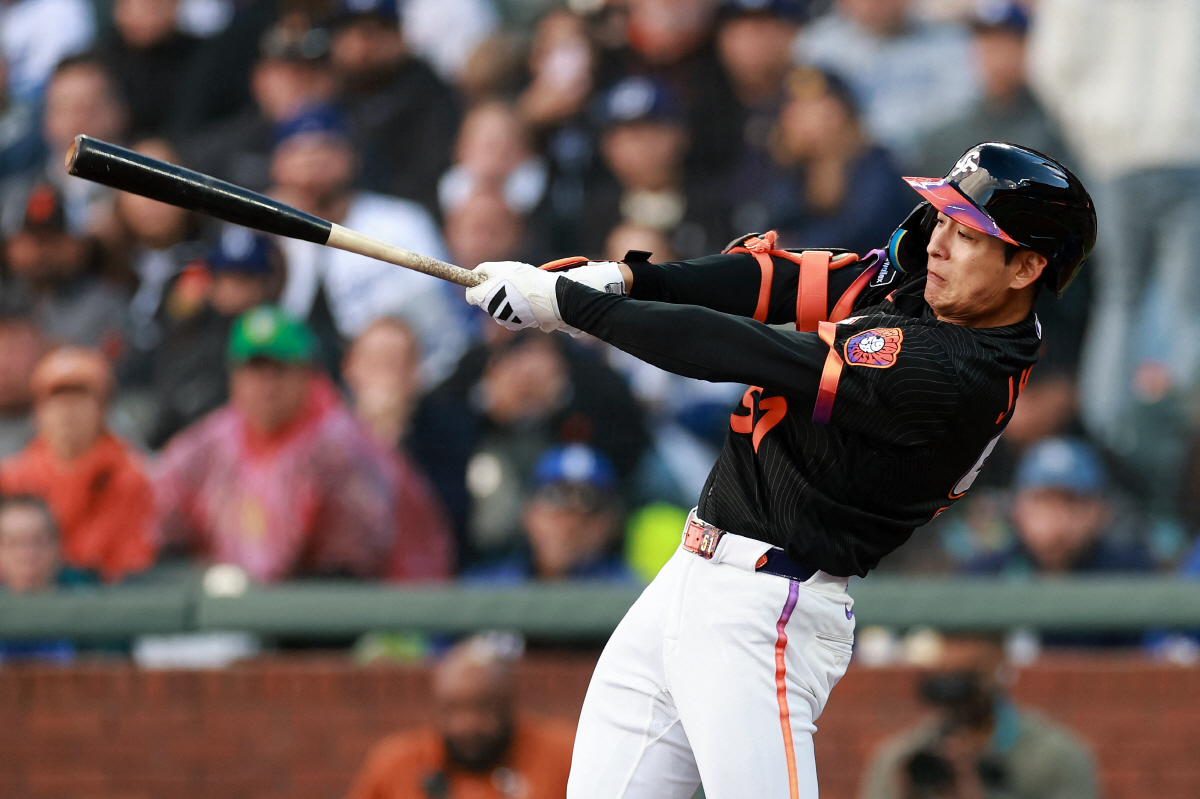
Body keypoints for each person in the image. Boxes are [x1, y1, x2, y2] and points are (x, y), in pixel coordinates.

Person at [464, 141, 1097, 797]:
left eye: (967, 234)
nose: (938, 242)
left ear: (1024, 267)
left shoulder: (959, 373)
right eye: (941, 218)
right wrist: (627, 279)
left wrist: (574, 307)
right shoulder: (930, 284)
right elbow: (776, 280)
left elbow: (740, 347)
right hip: (690, 578)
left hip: (770, 606)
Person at [153, 306, 399, 582]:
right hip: (225, 606)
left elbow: (357, 561)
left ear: (306, 373)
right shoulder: (209, 442)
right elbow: (157, 520)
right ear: (234, 375)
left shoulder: (340, 445)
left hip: (316, 608)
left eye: (279, 369)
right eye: (255, 368)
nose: (266, 385)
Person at [268, 103, 466, 385]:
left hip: (417, 381)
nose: (313, 159)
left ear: (351, 157)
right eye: (299, 149)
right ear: (277, 165)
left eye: (326, 146)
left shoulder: (400, 222)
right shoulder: (264, 237)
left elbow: (436, 317)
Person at [859, 635, 1097, 799]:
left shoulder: (1055, 756)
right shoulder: (904, 757)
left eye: (968, 677)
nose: (956, 696)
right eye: (946, 678)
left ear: (1000, 672)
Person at [346, 632, 575, 799]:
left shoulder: (564, 756)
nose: (467, 724)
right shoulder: (396, 764)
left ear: (508, 704)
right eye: (453, 709)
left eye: (483, 708)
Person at [0, 347, 156, 582]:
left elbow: (129, 566)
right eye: (57, 402)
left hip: (99, 603)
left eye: (79, 400)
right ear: (38, 412)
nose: (67, 413)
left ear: (102, 409)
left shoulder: (128, 475)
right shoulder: (13, 478)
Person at [143, 226, 286, 448]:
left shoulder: (279, 337)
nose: (231, 290)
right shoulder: (188, 332)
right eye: (223, 278)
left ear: (264, 285)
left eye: (243, 280)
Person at [342, 317, 456, 581]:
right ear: (350, 369)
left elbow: (446, 522)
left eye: (395, 365)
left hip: (422, 586)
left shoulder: (446, 433)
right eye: (374, 364)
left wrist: (391, 442)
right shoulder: (328, 436)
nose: (385, 377)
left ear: (416, 373)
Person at [797, 0, 979, 164]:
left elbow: (960, 112)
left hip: (926, 163)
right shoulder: (817, 45)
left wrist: (878, 139)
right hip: (846, 167)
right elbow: (808, 113)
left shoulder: (949, 42)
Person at [766, 66, 913, 255]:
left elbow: (864, 230)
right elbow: (776, 222)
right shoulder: (791, 166)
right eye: (797, 108)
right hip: (813, 271)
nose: (807, 118)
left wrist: (798, 247)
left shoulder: (876, 162)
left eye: (818, 106)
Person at [965, 437, 1154, 578]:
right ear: (1018, 510)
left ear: (1100, 511)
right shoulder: (987, 574)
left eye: (1073, 503)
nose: (1057, 520)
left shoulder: (1129, 572)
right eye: (1043, 503)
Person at [464, 444, 635, 584]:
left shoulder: (637, 598)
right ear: (528, 513)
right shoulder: (485, 587)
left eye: (590, 505)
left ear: (611, 523)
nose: (569, 523)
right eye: (554, 498)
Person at [2, 183, 130, 357]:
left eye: (54, 240)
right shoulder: (9, 298)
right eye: (34, 239)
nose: (43, 252)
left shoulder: (107, 305)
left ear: (79, 245)